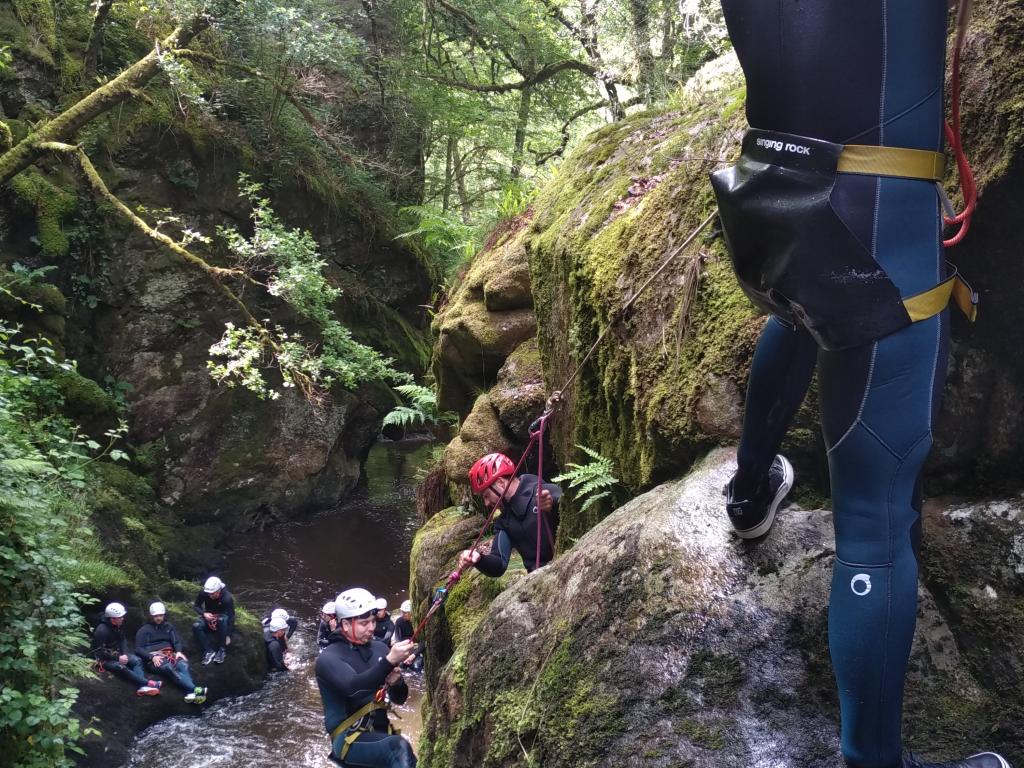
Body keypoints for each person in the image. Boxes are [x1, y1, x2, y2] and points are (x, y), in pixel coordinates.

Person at [710, 2, 1009, 767]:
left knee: (808, 312)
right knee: (875, 528)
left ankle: (750, 490)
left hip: (775, 191)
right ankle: (873, 759)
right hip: (884, 218)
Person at [315, 587, 418, 768]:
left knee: (406, 756)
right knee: (399, 749)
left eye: (372, 621)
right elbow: (353, 687)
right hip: (348, 739)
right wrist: (388, 662)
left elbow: (400, 699)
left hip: (380, 734)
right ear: (345, 625)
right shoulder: (329, 658)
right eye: (364, 623)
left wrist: (396, 682)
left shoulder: (379, 649)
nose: (372, 628)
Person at [459, 453, 563, 576]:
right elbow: (498, 566)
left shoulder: (543, 491)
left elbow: (575, 508)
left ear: (501, 483)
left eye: (486, 495)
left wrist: (552, 507)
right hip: (538, 582)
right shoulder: (504, 522)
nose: (486, 503)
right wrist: (478, 559)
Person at [135, 602, 207, 704]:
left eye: (160, 615)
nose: (158, 618)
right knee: (168, 668)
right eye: (156, 616)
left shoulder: (169, 626)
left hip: (170, 654)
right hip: (154, 658)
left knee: (183, 664)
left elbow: (176, 641)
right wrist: (151, 657)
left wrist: (178, 651)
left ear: (164, 615)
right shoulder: (143, 630)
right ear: (151, 616)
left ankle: (190, 693)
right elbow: (138, 649)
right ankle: (194, 689)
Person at [90, 602, 162, 697]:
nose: (123, 618)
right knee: (121, 667)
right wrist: (117, 658)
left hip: (116, 653)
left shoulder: (117, 625)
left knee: (137, 660)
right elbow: (99, 652)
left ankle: (142, 687)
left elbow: (122, 639)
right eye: (120, 617)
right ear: (112, 619)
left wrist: (123, 653)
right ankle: (147, 683)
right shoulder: (101, 630)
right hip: (103, 658)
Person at [192, 576, 235, 665]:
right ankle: (208, 651)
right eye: (209, 594)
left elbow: (231, 616)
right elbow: (196, 606)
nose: (210, 596)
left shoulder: (227, 598)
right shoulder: (205, 593)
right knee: (196, 626)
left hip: (222, 617)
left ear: (219, 590)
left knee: (221, 620)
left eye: (213, 594)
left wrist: (228, 635)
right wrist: (204, 614)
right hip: (208, 616)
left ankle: (221, 650)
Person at [392, 600, 422, 672]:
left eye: (405, 613)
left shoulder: (418, 622)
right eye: (402, 612)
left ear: (411, 613)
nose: (402, 614)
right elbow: (398, 638)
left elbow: (424, 642)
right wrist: (404, 653)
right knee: (401, 666)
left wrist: (413, 655)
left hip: (416, 648)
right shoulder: (399, 621)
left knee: (417, 667)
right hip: (406, 647)